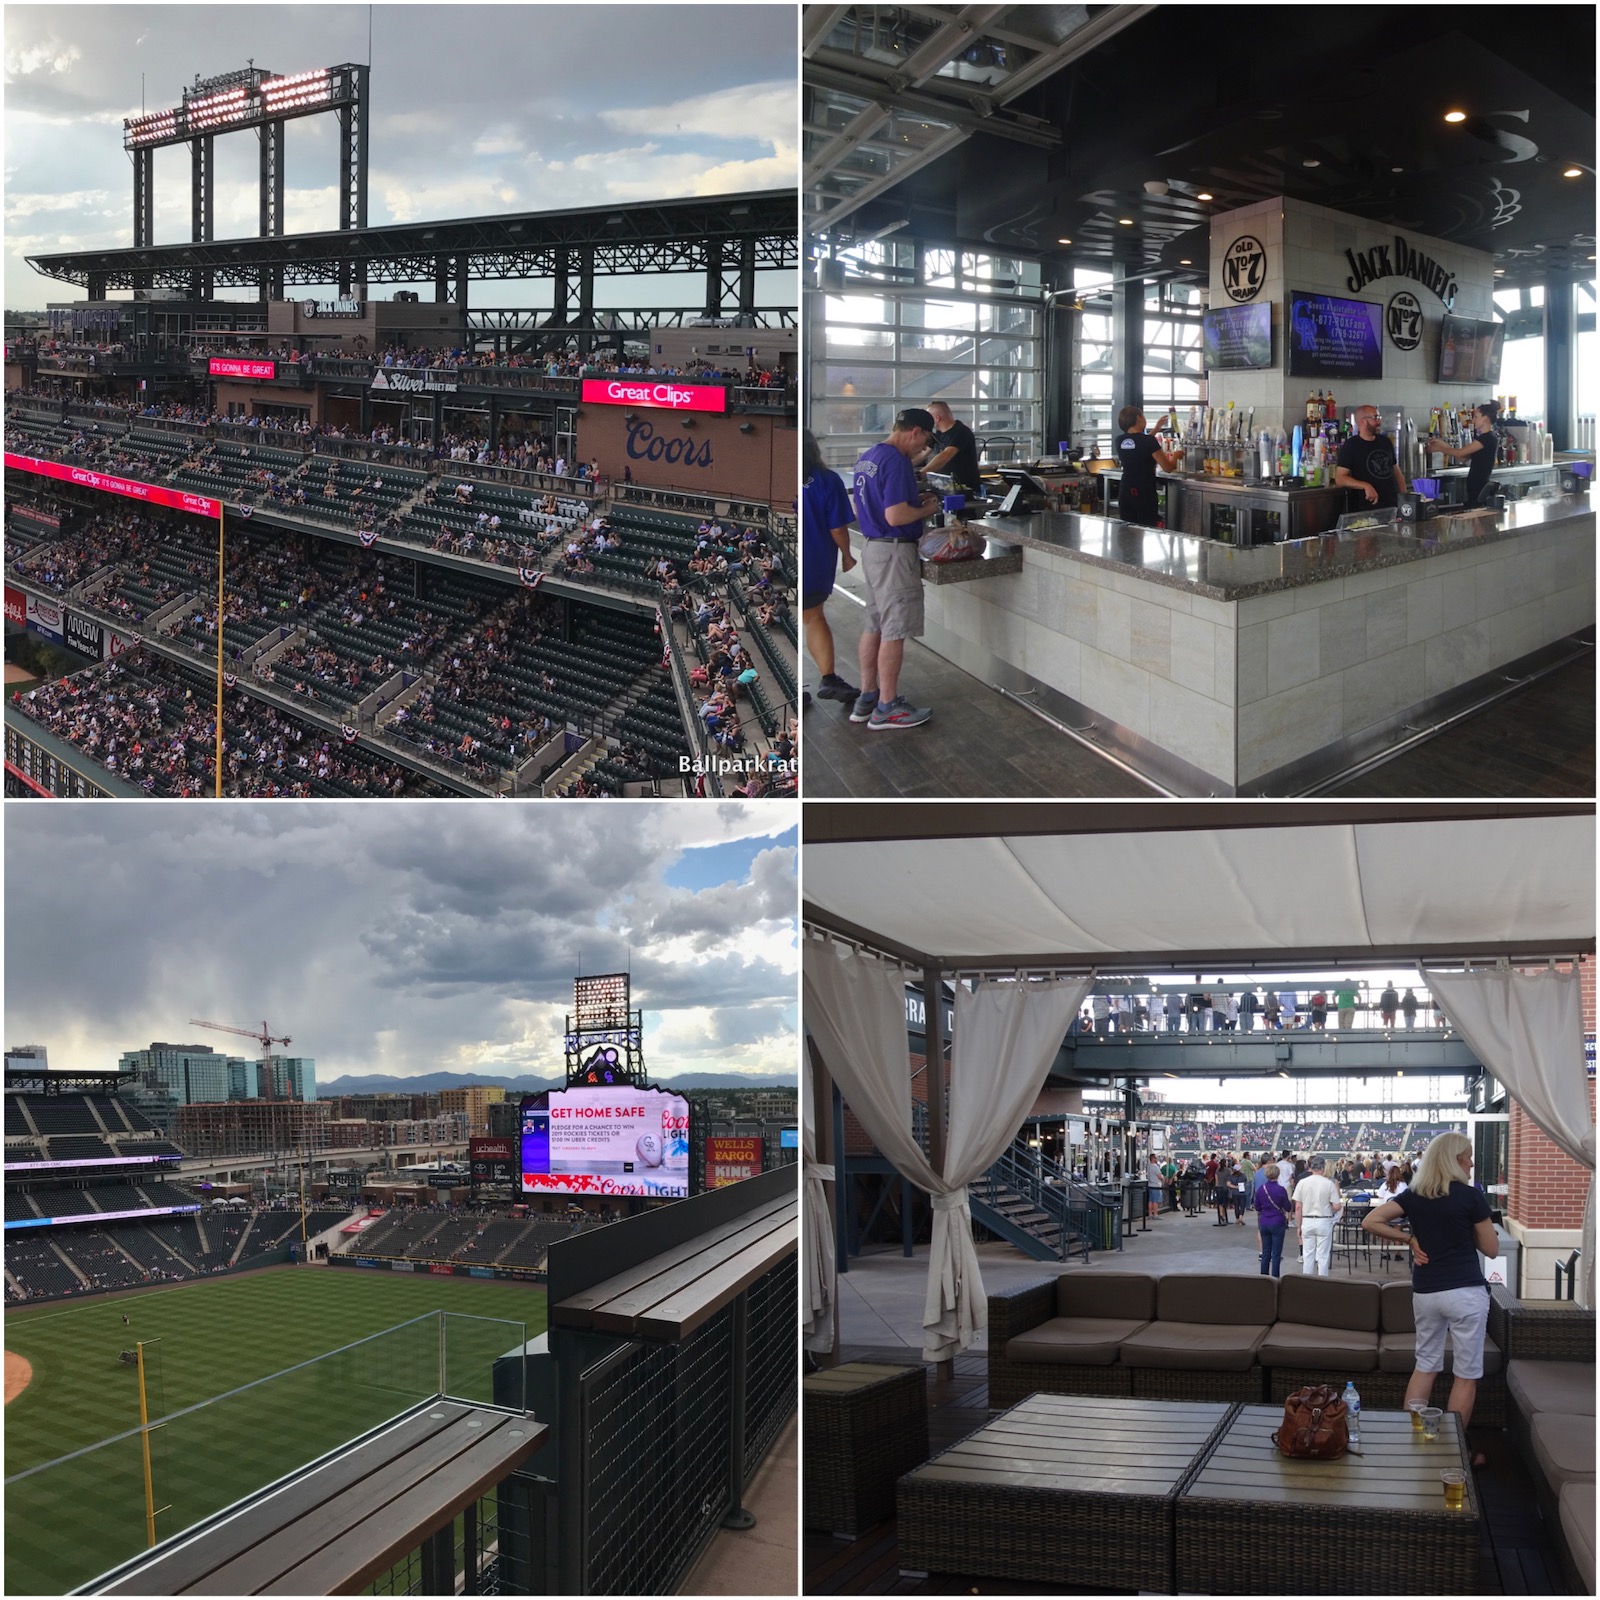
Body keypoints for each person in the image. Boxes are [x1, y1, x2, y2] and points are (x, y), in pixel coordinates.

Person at [1362, 1132, 1496, 1448]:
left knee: (1425, 1365)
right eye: (1468, 1156)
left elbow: (1371, 1221)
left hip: (1426, 1292)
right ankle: (1454, 1450)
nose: (1472, 1162)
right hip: (1465, 1291)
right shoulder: (1470, 1196)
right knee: (1466, 1374)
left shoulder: (1414, 1196)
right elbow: (1490, 1248)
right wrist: (1465, 1231)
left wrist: (1409, 1239)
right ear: (1455, 1160)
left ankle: (1415, 1442)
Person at [848, 409, 942, 730]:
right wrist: (928, 507)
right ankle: (887, 707)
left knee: (874, 624)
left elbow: (866, 505)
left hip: (872, 547)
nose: (924, 448)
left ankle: (868, 697)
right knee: (895, 629)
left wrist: (914, 500)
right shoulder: (898, 461)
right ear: (915, 432)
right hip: (893, 551)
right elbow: (896, 516)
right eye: (926, 440)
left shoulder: (869, 456)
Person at [800, 430, 860, 708]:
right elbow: (837, 526)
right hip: (814, 564)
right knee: (813, 618)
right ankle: (828, 677)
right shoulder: (826, 480)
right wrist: (848, 555)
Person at [1112, 407, 1183, 527]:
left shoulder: (1119, 440)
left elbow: (1139, 442)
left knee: (1127, 530)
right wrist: (1176, 456)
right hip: (1144, 493)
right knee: (1145, 529)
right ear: (1138, 418)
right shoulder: (1149, 441)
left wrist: (1156, 428)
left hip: (1126, 492)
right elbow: (1168, 467)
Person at [1427, 401, 1501, 507]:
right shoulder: (1486, 438)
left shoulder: (1487, 438)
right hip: (1476, 485)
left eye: (1476, 417)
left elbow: (1461, 452)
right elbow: (1462, 457)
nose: (1473, 420)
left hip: (1480, 486)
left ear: (1485, 418)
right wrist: (1443, 444)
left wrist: (1439, 448)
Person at [1335, 404, 1408, 509]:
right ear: (1362, 421)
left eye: (1379, 418)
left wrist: (1404, 499)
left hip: (1392, 507)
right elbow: (1340, 478)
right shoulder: (1351, 446)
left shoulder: (1385, 442)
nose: (1379, 422)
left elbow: (1396, 472)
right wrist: (1365, 486)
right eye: (1375, 418)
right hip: (1366, 509)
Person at [1293, 1154, 1343, 1276]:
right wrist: (1329, 1207)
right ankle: (1322, 1281)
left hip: (1307, 1220)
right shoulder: (1328, 1183)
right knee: (1323, 1255)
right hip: (1324, 1220)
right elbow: (1337, 1206)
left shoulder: (1302, 1183)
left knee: (1308, 1254)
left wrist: (1298, 1226)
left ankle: (1307, 1280)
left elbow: (1298, 1207)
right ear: (1323, 1168)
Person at [922, 400, 982, 494]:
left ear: (937, 418)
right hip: (946, 486)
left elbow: (945, 455)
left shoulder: (961, 432)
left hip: (964, 487)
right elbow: (923, 453)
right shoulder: (939, 433)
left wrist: (921, 474)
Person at [1256, 1162, 1292, 1278]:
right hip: (1277, 1222)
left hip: (1264, 1222)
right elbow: (1288, 1207)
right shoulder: (1281, 1190)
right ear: (1278, 1175)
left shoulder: (1261, 1189)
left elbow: (1257, 1207)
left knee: (1266, 1252)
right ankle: (1275, 1278)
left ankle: (1263, 1277)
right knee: (1276, 1253)